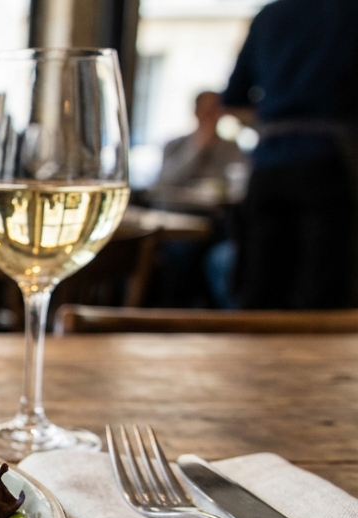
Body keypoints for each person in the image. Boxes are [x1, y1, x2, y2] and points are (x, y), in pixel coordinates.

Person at [221, 0, 358, 309]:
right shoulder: (349, 12)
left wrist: (277, 117)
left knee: (260, 290)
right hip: (330, 163)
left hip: (269, 166)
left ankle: (253, 358)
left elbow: (232, 102)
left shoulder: (269, 15)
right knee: (324, 293)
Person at [150, 92, 248, 307]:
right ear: (195, 112)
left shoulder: (231, 148)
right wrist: (197, 147)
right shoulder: (175, 145)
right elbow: (162, 185)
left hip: (217, 221)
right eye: (206, 109)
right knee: (183, 254)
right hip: (179, 220)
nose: (211, 115)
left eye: (216, 109)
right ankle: (178, 312)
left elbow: (237, 186)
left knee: (229, 257)